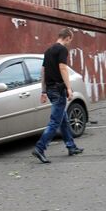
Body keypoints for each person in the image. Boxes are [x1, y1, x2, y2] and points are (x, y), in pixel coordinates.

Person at [32, 28, 84, 164]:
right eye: (70, 40)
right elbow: (63, 68)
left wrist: (43, 91)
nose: (69, 43)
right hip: (58, 89)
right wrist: (68, 88)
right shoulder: (62, 50)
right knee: (55, 121)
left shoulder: (48, 51)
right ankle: (40, 148)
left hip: (50, 89)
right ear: (67, 37)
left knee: (63, 119)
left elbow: (43, 71)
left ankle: (71, 146)